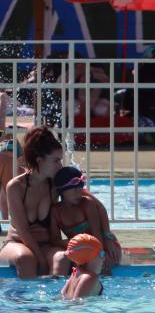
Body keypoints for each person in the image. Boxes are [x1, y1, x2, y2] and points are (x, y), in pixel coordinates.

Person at [0, 126, 63, 278]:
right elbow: (23, 231)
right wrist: (41, 260)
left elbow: (83, 198)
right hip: (17, 244)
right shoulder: (15, 187)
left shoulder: (54, 185)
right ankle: (27, 302)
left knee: (62, 258)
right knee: (26, 259)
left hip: (46, 244)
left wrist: (106, 237)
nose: (60, 166)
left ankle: (57, 301)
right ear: (40, 161)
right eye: (56, 161)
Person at [50, 166, 122, 276]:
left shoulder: (87, 204)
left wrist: (101, 254)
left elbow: (97, 232)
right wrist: (74, 244)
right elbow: (55, 240)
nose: (79, 193)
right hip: (82, 247)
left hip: (103, 244)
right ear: (62, 190)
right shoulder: (55, 211)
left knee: (101, 267)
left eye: (80, 188)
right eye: (74, 189)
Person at [61, 233, 105, 300]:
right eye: (102, 254)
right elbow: (77, 305)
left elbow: (62, 294)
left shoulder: (75, 272)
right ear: (90, 256)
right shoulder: (89, 277)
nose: (104, 258)